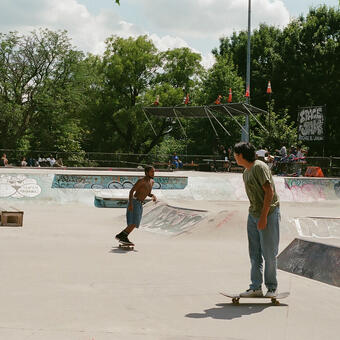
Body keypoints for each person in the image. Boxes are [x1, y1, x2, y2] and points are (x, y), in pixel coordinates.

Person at [233, 142, 280, 298]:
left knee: (269, 253)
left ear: (240, 155)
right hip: (253, 214)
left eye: (235, 154)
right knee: (254, 253)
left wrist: (264, 217)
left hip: (268, 213)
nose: (234, 157)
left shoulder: (259, 167)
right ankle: (255, 287)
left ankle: (272, 288)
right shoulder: (246, 172)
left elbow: (269, 192)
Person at [115, 165, 157, 245]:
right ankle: (122, 236)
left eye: (154, 172)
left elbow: (148, 193)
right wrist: (130, 204)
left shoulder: (152, 182)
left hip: (140, 203)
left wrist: (153, 196)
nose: (153, 173)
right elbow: (131, 191)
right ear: (147, 172)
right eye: (152, 172)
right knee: (134, 223)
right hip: (134, 202)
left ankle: (122, 235)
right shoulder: (141, 181)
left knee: (136, 223)